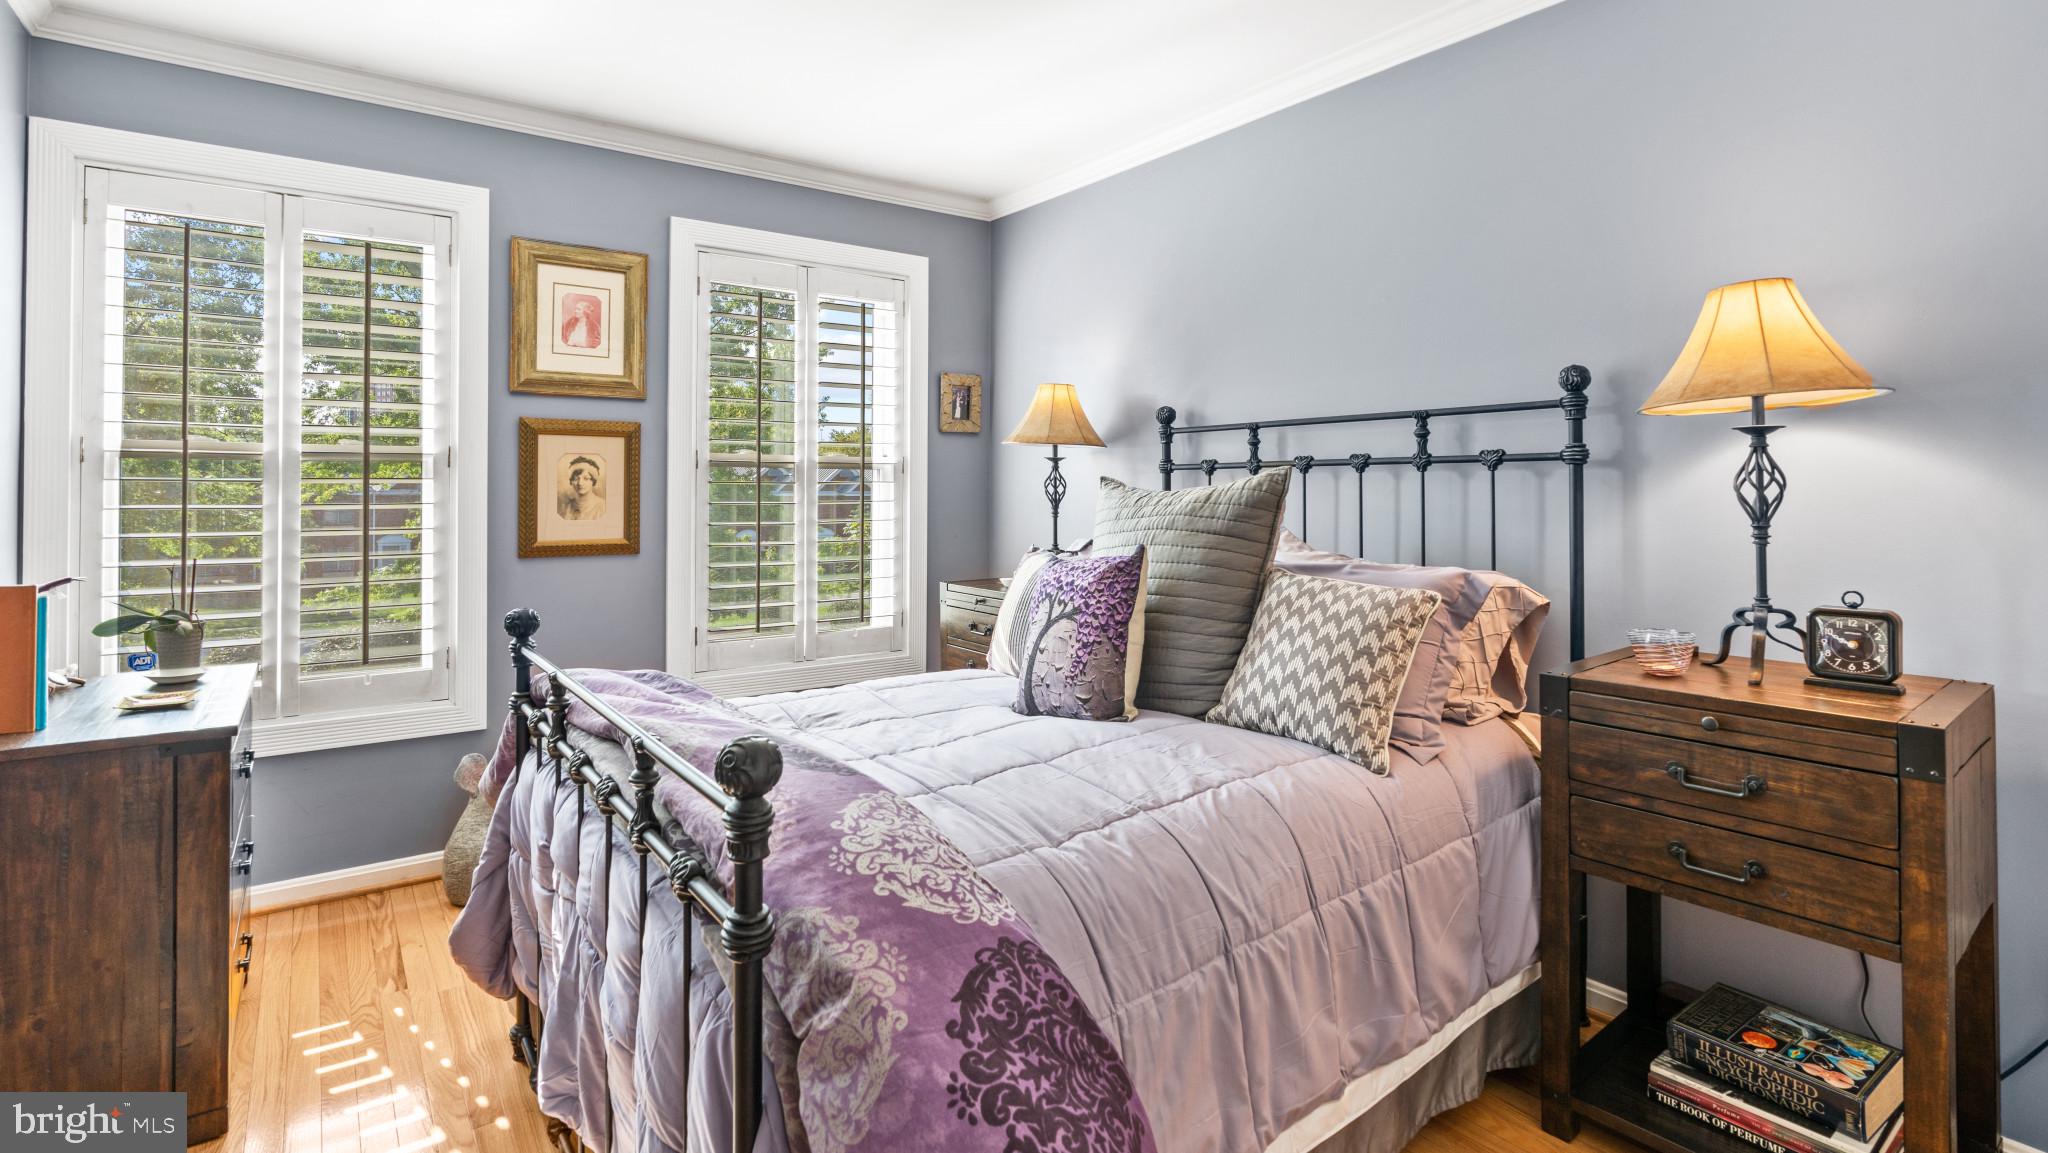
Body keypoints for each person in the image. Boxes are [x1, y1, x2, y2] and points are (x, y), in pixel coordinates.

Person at [558, 455, 605, 521]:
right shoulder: (566, 507)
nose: (580, 483)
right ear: (571, 481)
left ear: (593, 481)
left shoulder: (602, 507)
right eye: (576, 479)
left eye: (586, 478)